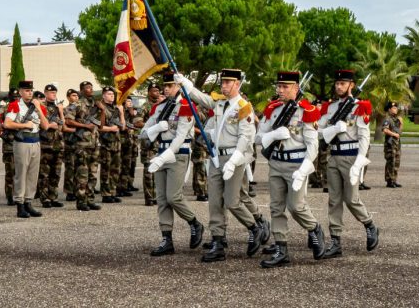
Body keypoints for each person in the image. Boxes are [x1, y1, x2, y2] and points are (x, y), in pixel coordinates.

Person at [175, 69, 265, 263]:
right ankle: (218, 240)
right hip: (217, 158)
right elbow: (202, 98)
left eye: (228, 82)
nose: (223, 86)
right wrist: (186, 84)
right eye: (222, 82)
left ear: (237, 84)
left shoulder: (244, 107)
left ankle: (254, 227)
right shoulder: (219, 103)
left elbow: (245, 138)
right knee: (215, 201)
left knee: (232, 201)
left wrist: (233, 161)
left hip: (235, 158)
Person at [255, 71, 326, 268]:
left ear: (296, 88)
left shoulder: (306, 111)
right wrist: (271, 136)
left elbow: (313, 146)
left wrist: (303, 169)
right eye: (279, 86)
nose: (280, 90)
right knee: (276, 207)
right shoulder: (273, 110)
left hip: (296, 165)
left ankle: (314, 228)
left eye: (285, 87)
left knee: (296, 206)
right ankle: (281, 247)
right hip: (276, 163)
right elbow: (258, 137)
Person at [140, 72, 204, 256]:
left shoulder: (185, 106)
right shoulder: (158, 108)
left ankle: (194, 223)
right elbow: (143, 134)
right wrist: (156, 128)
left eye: (170, 86)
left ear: (178, 86)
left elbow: (182, 135)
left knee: (173, 197)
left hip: (178, 153)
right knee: (161, 199)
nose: (166, 89)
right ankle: (167, 239)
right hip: (161, 152)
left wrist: (166, 154)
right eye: (165, 86)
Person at [319, 69, 379, 259]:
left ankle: (370, 225)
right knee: (334, 199)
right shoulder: (330, 108)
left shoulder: (359, 107)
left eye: (343, 84)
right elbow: (319, 131)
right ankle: (335, 240)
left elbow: (364, 135)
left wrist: (360, 159)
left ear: (351, 85)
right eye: (337, 84)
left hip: (351, 156)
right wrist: (332, 129)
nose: (339, 87)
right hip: (334, 155)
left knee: (351, 199)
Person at [3, 80, 49, 218]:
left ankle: (28, 202)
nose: (29, 93)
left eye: (31, 90)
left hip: (36, 141)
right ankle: (20, 204)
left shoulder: (38, 106)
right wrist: (24, 125)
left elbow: (46, 126)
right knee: (21, 174)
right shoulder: (15, 105)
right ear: (21, 92)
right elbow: (7, 124)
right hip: (22, 142)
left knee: (33, 175)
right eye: (27, 91)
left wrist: (39, 108)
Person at [64, 84, 102, 211]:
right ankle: (81, 201)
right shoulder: (77, 104)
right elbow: (68, 121)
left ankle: (90, 199)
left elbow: (101, 124)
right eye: (87, 88)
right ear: (81, 91)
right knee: (82, 174)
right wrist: (85, 126)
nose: (90, 90)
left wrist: (102, 110)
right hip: (82, 144)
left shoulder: (95, 105)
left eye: (91, 88)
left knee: (93, 174)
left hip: (94, 143)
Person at [38, 84, 65, 208]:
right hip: (45, 144)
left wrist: (60, 111)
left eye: (55, 92)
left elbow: (62, 125)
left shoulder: (57, 107)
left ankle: (53, 197)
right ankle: (45, 199)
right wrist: (50, 124)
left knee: (56, 173)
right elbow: (40, 123)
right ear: (45, 93)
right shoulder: (40, 107)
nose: (53, 94)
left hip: (58, 144)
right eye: (51, 92)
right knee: (44, 173)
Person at [134, 82, 161, 206]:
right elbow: (137, 122)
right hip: (149, 143)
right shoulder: (145, 106)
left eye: (158, 91)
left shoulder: (161, 106)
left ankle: (157, 196)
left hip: (159, 143)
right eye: (154, 90)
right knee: (149, 172)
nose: (157, 93)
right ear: (149, 92)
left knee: (158, 170)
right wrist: (154, 126)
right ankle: (149, 198)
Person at [98, 86, 125, 203]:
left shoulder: (116, 108)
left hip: (116, 143)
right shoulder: (100, 108)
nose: (112, 96)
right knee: (106, 169)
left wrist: (122, 113)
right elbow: (98, 126)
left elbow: (122, 127)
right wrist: (110, 129)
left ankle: (113, 192)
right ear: (103, 95)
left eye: (113, 94)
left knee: (115, 169)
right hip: (105, 144)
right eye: (109, 94)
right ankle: (106, 194)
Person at [1, 88, 20, 205]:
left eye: (17, 97)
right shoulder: (5, 109)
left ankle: (18, 194)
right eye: (13, 98)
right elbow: (2, 126)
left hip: (19, 143)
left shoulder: (21, 109)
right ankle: (9, 196)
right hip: (9, 145)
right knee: (10, 172)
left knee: (19, 171)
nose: (16, 99)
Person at [382, 101, 403, 188]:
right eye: (394, 108)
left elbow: (400, 132)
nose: (396, 109)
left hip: (397, 144)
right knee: (391, 162)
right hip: (390, 145)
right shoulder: (388, 119)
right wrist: (394, 135)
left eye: (396, 108)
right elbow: (385, 130)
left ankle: (394, 179)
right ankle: (389, 181)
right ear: (389, 109)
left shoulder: (396, 119)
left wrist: (401, 123)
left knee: (397, 162)